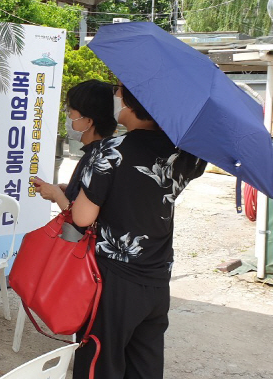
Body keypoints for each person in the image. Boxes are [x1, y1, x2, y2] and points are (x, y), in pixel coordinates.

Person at [50, 83, 206, 379]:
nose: (115, 98)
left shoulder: (111, 150)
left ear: (133, 103)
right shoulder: (185, 155)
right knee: (144, 367)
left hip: (113, 281)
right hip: (157, 279)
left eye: (119, 93)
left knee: (100, 363)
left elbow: (82, 217)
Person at [34, 79, 117, 216]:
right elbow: (95, 196)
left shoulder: (98, 159)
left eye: (70, 112)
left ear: (88, 121)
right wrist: (69, 190)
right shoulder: (106, 152)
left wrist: (56, 195)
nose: (68, 117)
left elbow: (80, 218)